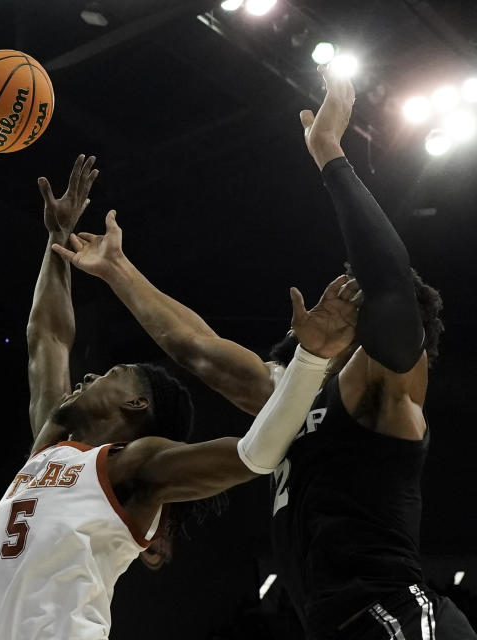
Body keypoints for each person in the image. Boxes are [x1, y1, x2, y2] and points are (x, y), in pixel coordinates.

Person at [53, 69, 473, 639]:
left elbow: (392, 283)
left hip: (392, 615)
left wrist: (329, 153)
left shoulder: (386, 390)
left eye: (355, 294)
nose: (337, 296)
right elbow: (195, 348)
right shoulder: (291, 393)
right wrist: (118, 271)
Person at [0, 154, 362, 640]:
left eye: (112, 373)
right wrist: (56, 242)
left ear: (136, 406)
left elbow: (253, 456)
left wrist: (312, 360)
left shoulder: (134, 467)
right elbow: (46, 339)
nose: (88, 375)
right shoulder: (50, 446)